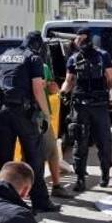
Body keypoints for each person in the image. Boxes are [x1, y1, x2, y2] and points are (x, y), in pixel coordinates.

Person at [0, 31, 57, 212]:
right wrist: (46, 115)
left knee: (4, 160)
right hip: (24, 115)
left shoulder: (4, 56)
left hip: (2, 113)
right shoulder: (33, 59)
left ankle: (1, 202)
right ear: (37, 45)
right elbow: (37, 89)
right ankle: (40, 202)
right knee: (34, 158)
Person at [60, 28, 112, 192]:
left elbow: (111, 79)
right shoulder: (84, 58)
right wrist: (63, 93)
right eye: (77, 39)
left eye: (79, 39)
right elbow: (69, 80)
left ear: (85, 38)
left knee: (92, 142)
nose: (77, 41)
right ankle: (91, 177)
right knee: (91, 141)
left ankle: (94, 177)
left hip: (90, 106)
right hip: (89, 106)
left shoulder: (92, 57)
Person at [41, 60, 69, 198]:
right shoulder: (42, 66)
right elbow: (53, 89)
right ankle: (56, 186)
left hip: (19, 116)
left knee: (27, 153)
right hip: (39, 116)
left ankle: (25, 188)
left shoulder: (6, 62)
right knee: (52, 151)